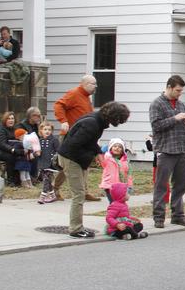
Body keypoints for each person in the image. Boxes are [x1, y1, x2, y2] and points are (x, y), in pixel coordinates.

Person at [56, 101, 130, 239]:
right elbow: (74, 145)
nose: (119, 123)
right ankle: (76, 229)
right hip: (71, 159)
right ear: (113, 116)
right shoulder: (92, 123)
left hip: (75, 158)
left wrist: (98, 153)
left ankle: (78, 227)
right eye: (119, 119)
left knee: (81, 192)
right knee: (79, 194)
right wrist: (90, 157)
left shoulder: (96, 120)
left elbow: (89, 141)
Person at [149, 75, 185, 229]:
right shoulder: (157, 104)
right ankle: (159, 217)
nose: (179, 93)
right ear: (169, 87)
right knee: (161, 185)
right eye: (177, 90)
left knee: (181, 185)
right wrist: (175, 118)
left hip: (182, 148)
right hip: (166, 149)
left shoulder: (181, 104)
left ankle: (178, 216)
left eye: (181, 91)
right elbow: (156, 126)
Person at [53, 74, 98, 202]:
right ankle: (54, 189)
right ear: (85, 84)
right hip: (70, 136)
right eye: (93, 84)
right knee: (66, 165)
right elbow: (58, 105)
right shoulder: (74, 93)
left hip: (83, 137)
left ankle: (84, 191)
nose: (96, 87)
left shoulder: (86, 98)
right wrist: (63, 121)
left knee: (85, 162)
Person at [0, 112, 23, 186]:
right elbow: (2, 144)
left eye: (12, 118)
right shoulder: (0, 130)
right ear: (4, 120)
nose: (11, 120)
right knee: (10, 157)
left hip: (6, 150)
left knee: (21, 155)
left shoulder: (14, 129)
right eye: (8, 119)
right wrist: (13, 150)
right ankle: (10, 181)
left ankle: (19, 180)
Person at [35, 121, 61, 204]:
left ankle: (43, 196)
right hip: (42, 162)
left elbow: (59, 151)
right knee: (47, 180)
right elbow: (36, 152)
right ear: (41, 131)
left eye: (49, 129)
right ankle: (53, 196)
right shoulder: (39, 141)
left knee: (46, 179)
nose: (47, 131)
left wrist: (57, 159)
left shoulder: (54, 140)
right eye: (45, 129)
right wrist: (36, 153)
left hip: (50, 163)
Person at [99, 138, 132, 202]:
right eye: (115, 146)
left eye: (120, 147)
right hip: (109, 186)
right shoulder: (107, 158)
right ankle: (112, 212)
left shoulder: (125, 161)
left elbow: (128, 174)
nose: (117, 148)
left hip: (121, 187)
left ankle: (120, 212)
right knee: (113, 203)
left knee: (121, 203)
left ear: (123, 150)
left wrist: (129, 186)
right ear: (110, 148)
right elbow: (100, 155)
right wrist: (103, 149)